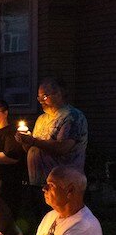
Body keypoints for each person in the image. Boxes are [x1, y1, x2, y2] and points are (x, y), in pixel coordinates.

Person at [17, 77, 88, 219]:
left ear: (60, 93)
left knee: (61, 220)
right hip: (38, 182)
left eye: (45, 96)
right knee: (43, 221)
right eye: (39, 97)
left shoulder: (72, 117)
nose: (41, 101)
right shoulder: (41, 119)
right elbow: (31, 149)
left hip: (62, 185)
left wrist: (33, 141)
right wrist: (25, 141)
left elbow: (63, 148)